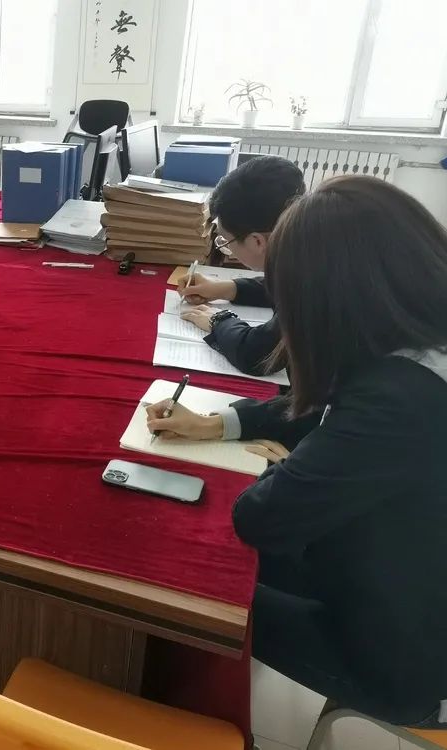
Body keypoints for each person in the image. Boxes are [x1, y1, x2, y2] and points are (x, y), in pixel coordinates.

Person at [147, 176, 447, 727]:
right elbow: (329, 404)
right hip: (392, 571)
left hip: (405, 660)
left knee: (181, 584)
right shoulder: (418, 341)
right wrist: (222, 422)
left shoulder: (400, 399)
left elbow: (261, 517)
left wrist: (284, 467)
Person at [176, 156, 305, 376]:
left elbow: (256, 355)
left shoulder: (312, 281)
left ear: (257, 242)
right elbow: (279, 284)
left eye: (226, 241)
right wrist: (226, 288)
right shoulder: (308, 240)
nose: (226, 247)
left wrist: (218, 320)